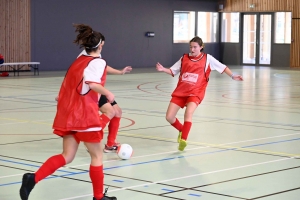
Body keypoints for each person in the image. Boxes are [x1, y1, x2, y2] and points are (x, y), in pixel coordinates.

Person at [19, 24, 117, 200]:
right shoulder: (98, 62)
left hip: (68, 114)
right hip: (84, 116)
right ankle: (98, 197)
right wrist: (108, 93)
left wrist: (61, 96)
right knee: (97, 155)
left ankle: (33, 178)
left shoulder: (79, 59)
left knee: (67, 156)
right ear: (101, 45)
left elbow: (69, 81)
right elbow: (93, 83)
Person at [156, 36, 243, 151]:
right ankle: (182, 130)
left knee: (188, 113)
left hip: (196, 92)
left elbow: (223, 67)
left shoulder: (208, 58)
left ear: (201, 47)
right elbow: (173, 71)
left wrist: (232, 76)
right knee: (169, 117)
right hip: (181, 91)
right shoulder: (184, 58)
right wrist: (163, 69)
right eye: (191, 47)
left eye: (195, 47)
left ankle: (184, 140)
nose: (192, 49)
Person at [78, 38, 132, 153]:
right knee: (110, 112)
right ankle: (90, 138)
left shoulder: (97, 55)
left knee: (118, 111)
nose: (102, 46)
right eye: (102, 44)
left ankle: (110, 144)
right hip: (90, 90)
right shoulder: (86, 56)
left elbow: (104, 67)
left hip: (98, 89)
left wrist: (120, 72)